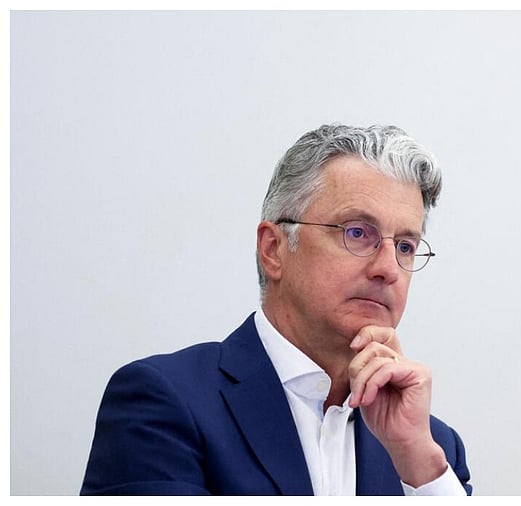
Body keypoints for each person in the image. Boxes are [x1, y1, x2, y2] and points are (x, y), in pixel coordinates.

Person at [80, 124, 472, 495]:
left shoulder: (432, 449)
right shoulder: (166, 402)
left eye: (404, 246)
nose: (388, 268)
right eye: (357, 233)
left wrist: (418, 462)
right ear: (274, 250)